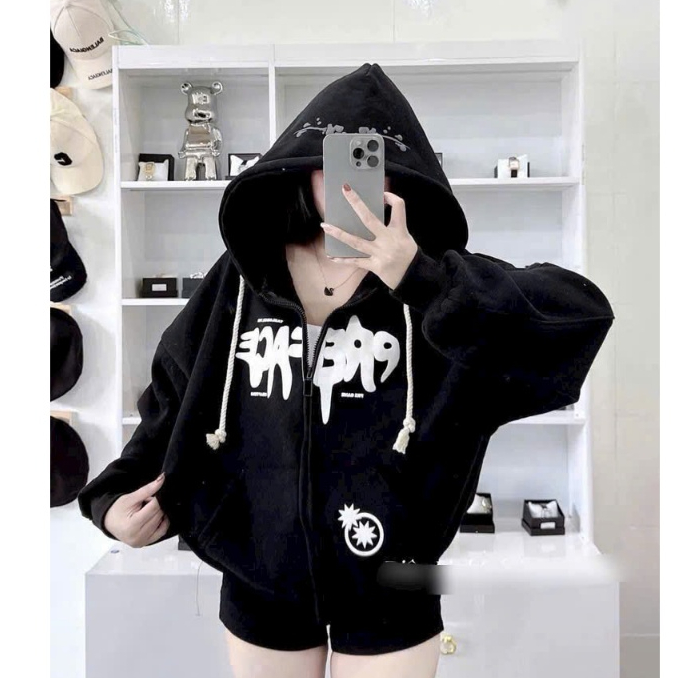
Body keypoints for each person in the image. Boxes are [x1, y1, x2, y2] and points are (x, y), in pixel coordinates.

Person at [78, 63, 615, 678]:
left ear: (405, 179)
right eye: (335, 162)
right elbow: (177, 392)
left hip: (400, 577)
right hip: (261, 574)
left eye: (375, 165)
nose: (355, 182)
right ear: (299, 168)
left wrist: (420, 277)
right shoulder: (246, 271)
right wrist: (112, 499)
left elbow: (578, 319)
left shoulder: (435, 279)